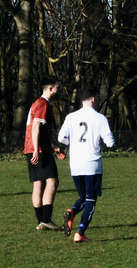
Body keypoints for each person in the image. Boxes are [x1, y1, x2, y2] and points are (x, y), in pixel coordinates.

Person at [58, 87, 115, 242]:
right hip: (92, 164)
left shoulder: (71, 117)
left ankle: (72, 212)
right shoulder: (100, 118)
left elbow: (61, 138)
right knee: (90, 199)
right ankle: (80, 233)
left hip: (75, 164)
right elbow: (110, 142)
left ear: (81, 101)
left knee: (83, 196)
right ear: (93, 100)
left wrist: (74, 143)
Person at [24, 76, 65, 231]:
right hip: (38, 150)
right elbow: (35, 128)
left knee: (38, 183)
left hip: (32, 149)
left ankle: (41, 221)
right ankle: (46, 219)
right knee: (53, 181)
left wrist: (54, 147)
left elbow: (42, 131)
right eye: (57, 87)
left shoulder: (37, 103)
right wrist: (36, 149)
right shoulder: (42, 104)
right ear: (50, 89)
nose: (58, 90)